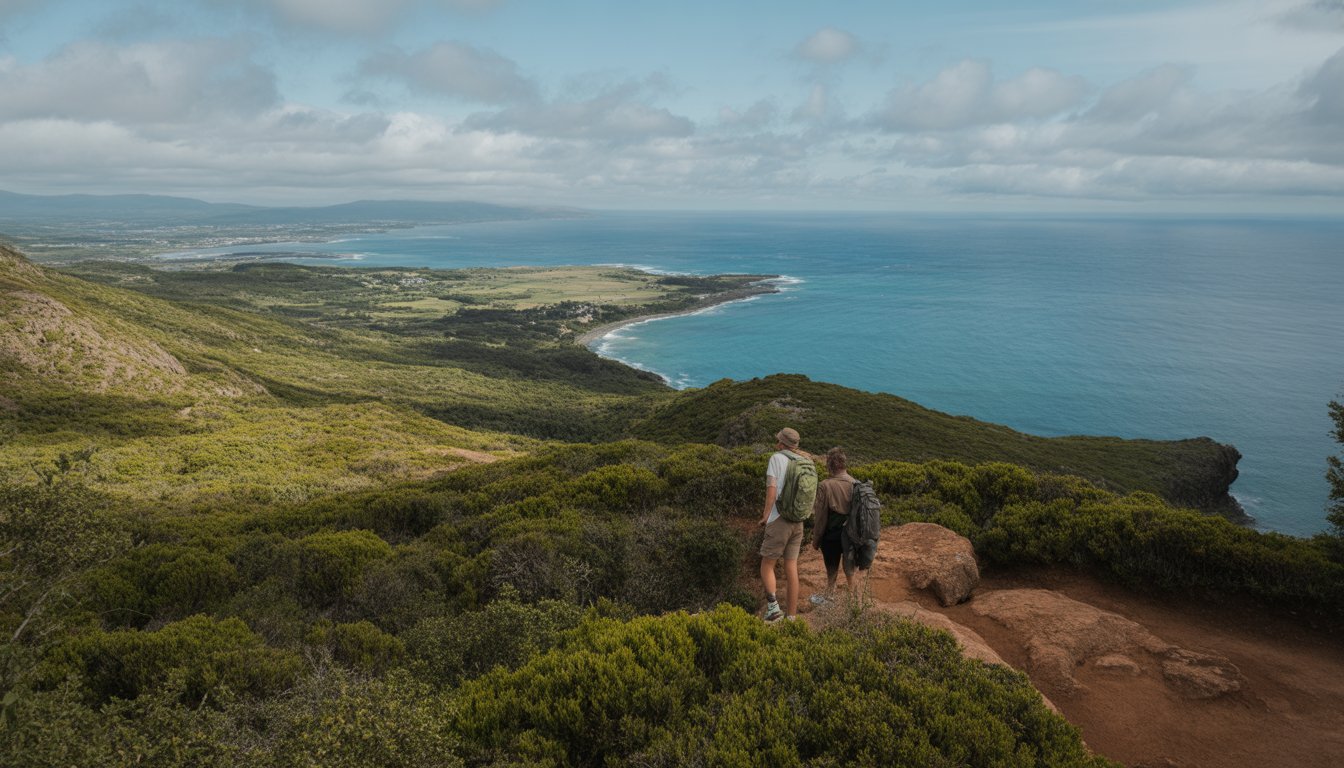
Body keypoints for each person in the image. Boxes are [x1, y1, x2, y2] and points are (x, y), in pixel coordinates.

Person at [759, 427, 808, 621]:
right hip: (798, 521)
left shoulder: (776, 458)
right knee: (791, 567)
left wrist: (765, 516)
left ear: (781, 443)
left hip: (779, 520)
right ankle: (792, 617)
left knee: (767, 564)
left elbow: (771, 492)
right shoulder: (805, 461)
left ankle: (773, 611)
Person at [809, 447, 857, 604]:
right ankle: (853, 600)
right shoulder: (855, 483)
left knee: (832, 568)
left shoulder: (825, 485)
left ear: (830, 465)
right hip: (852, 534)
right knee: (850, 569)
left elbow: (821, 517)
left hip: (832, 535)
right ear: (843, 464)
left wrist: (816, 540)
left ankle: (829, 595)